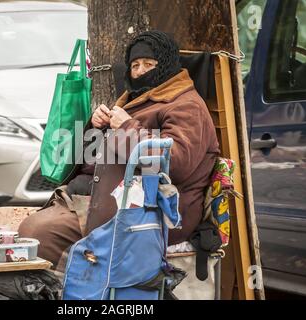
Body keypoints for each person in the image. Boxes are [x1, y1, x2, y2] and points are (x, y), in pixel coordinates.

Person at [18, 30, 220, 268]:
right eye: (135, 65)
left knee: (38, 234)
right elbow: (89, 160)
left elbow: (176, 164)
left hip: (151, 212)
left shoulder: (186, 106)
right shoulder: (136, 98)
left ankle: (88, 287)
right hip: (107, 200)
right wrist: (96, 127)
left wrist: (125, 126)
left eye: (149, 63)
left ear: (167, 66)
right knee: (27, 233)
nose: (141, 71)